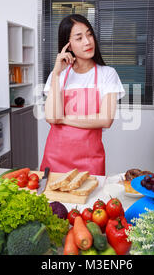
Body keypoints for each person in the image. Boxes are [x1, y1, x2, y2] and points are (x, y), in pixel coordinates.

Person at [41, 14, 125, 176]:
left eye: (89, 34)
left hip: (89, 162)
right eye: (79, 38)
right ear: (69, 46)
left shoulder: (107, 74)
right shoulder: (57, 75)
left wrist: (63, 118)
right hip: (55, 159)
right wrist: (57, 74)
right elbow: (52, 117)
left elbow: (105, 120)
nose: (87, 42)